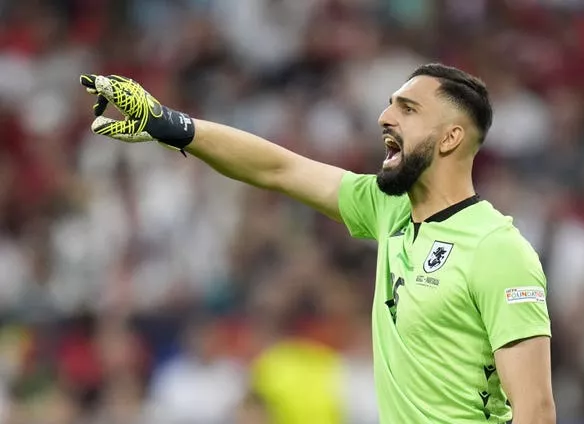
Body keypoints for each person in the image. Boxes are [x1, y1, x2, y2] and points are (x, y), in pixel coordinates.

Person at [79, 63, 555, 424]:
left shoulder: (497, 249)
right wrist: (170, 124)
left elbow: (534, 408)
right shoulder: (389, 210)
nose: (384, 116)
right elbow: (278, 168)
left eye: (407, 109)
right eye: (391, 103)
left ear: (450, 138)